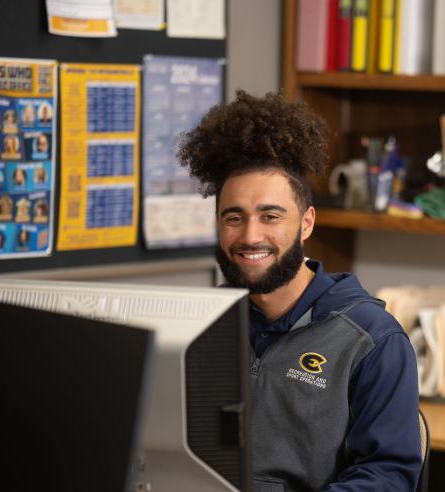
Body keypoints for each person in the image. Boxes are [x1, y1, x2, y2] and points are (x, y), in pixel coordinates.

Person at [178, 91, 422, 491]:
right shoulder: (199, 327)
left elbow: (388, 477)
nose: (250, 235)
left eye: (270, 216)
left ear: (306, 223)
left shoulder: (373, 341)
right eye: (234, 217)